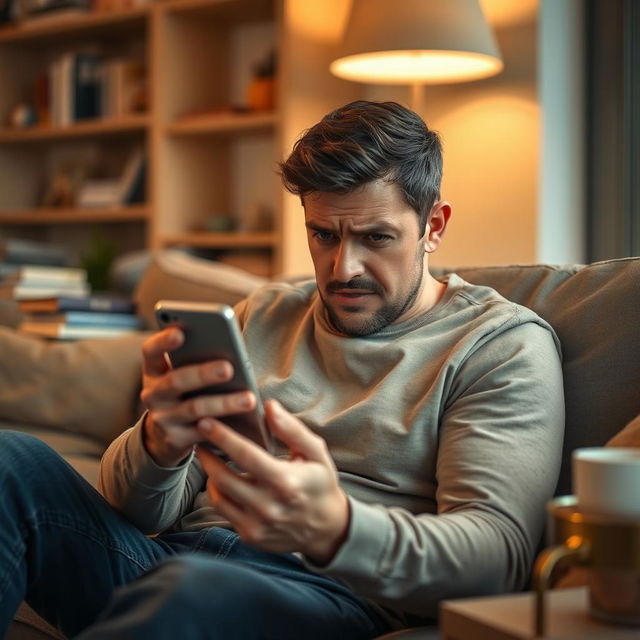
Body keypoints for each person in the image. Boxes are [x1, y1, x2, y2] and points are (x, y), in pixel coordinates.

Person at [0, 101, 564, 639]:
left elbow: (499, 558)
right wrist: (157, 443)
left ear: (433, 226)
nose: (345, 268)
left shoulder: (500, 345)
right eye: (323, 235)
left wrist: (336, 527)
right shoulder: (261, 316)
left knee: (192, 591)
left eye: (376, 238)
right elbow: (135, 508)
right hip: (172, 562)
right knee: (10, 460)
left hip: (327, 592)